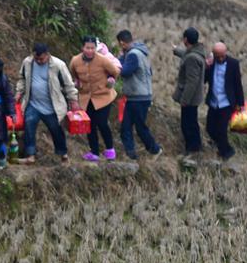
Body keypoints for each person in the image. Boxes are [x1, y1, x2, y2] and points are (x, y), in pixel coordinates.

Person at [15, 42, 79, 165]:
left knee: (56, 130)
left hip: (52, 106)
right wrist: (19, 92)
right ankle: (30, 155)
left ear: (48, 55)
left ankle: (63, 155)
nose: (39, 61)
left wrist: (73, 100)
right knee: (29, 126)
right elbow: (22, 78)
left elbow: (68, 84)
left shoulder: (58, 65)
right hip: (33, 103)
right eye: (36, 58)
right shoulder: (28, 63)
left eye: (42, 59)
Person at [69, 36, 121, 162]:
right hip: (86, 97)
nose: (90, 51)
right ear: (83, 48)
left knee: (102, 122)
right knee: (89, 125)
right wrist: (77, 82)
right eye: (87, 48)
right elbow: (74, 73)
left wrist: (111, 79)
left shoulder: (103, 60)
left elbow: (115, 71)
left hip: (103, 96)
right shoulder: (75, 61)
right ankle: (94, 152)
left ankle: (110, 150)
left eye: (92, 48)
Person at [115, 29, 163, 160]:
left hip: (138, 97)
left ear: (122, 43)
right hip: (139, 97)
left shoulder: (133, 55)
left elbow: (125, 71)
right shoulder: (141, 53)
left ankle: (155, 149)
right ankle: (131, 155)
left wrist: (116, 65)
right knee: (126, 126)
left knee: (140, 127)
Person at [203, 42, 244, 161]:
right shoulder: (211, 63)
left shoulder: (233, 64)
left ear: (226, 52)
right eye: (218, 56)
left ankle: (225, 153)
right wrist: (206, 66)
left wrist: (240, 103)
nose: (220, 58)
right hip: (213, 101)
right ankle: (225, 148)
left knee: (222, 129)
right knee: (210, 128)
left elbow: (238, 84)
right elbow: (204, 80)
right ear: (214, 54)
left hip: (226, 102)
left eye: (222, 55)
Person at [172, 27, 206, 158]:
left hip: (190, 98)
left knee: (188, 124)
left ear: (185, 39)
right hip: (195, 97)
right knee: (192, 122)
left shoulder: (192, 58)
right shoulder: (198, 52)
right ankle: (195, 149)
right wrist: (176, 50)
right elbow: (187, 54)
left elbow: (192, 81)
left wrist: (185, 100)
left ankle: (192, 150)